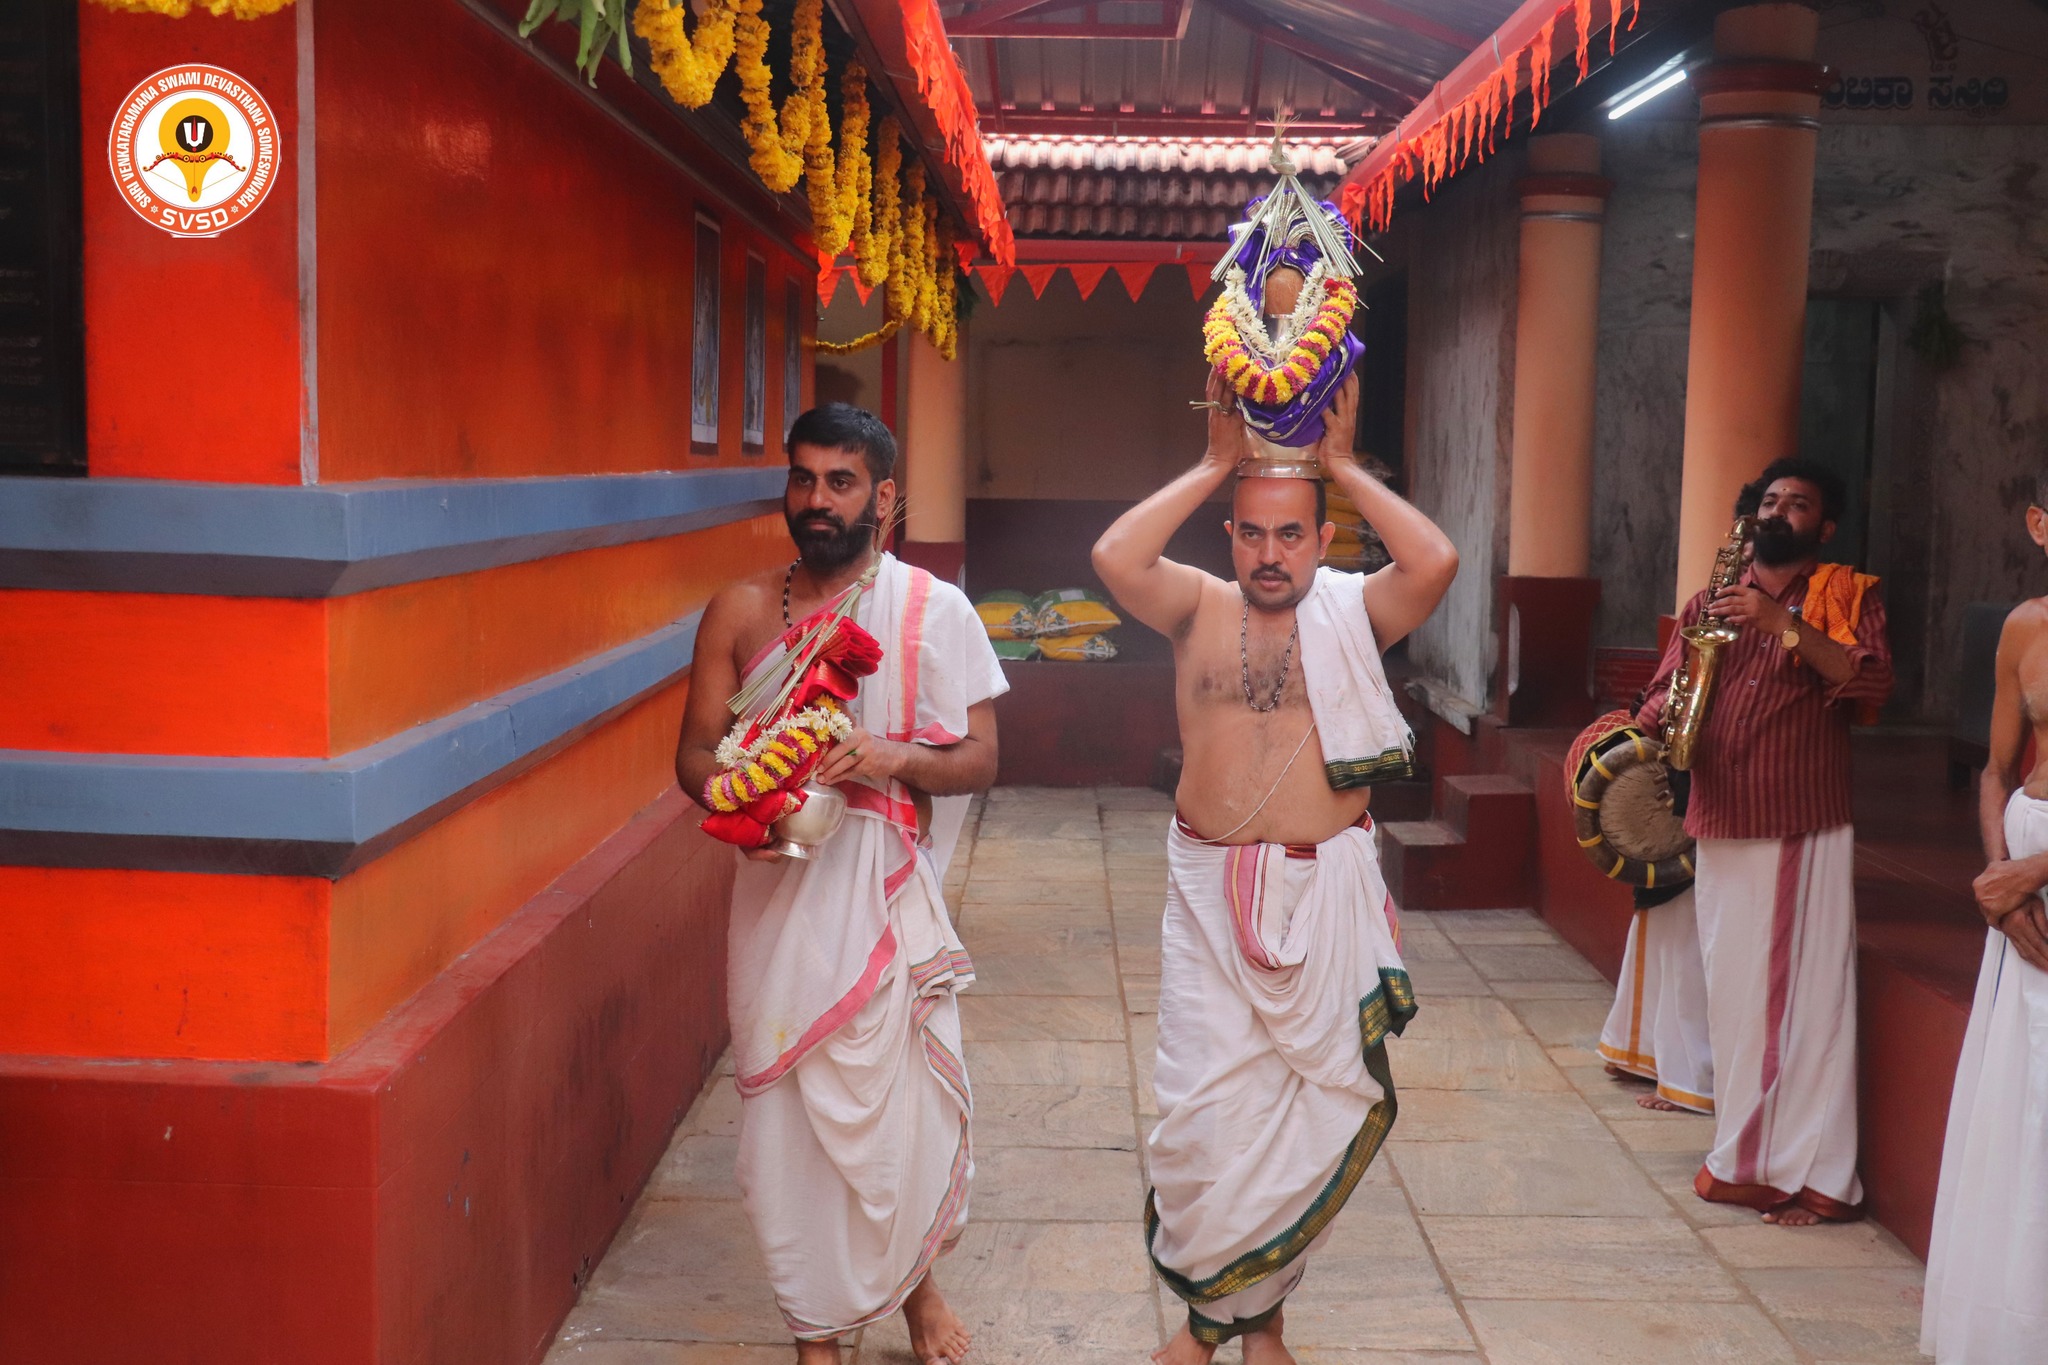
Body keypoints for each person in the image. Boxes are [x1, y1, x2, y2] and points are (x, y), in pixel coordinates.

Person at [1093, 372, 1457, 1364]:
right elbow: (1114, 555)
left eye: (1290, 534)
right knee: (1206, 1128)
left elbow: (1434, 559)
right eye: (1250, 533)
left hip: (1320, 897)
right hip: (1207, 902)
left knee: (1301, 1127)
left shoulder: (1356, 612)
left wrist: (1340, 464)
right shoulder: (1194, 608)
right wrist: (1214, 462)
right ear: (1228, 538)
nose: (1268, 554)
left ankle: (1220, 1334)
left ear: (1324, 538)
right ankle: (1251, 1331)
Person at [676, 403, 1006, 1364]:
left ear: (884, 496)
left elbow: (982, 758)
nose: (817, 500)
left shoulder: (932, 609)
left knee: (897, 1109)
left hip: (885, 889)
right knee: (786, 1121)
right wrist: (743, 798)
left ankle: (916, 1291)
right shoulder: (740, 610)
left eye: (841, 481)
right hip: (778, 894)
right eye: (803, 478)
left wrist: (888, 757)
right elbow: (693, 755)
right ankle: (814, 1329)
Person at [1636, 458, 1893, 1225]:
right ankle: (1751, 1155)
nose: (1780, 510)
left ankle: (1812, 1175)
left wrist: (1779, 621)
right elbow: (1663, 691)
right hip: (1719, 815)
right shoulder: (1707, 599)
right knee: (1740, 1000)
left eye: (1799, 503)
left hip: (1797, 820)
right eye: (1771, 500)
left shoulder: (1848, 594)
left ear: (1826, 525)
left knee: (1801, 1003)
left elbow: (1868, 681)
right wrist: (1644, 727)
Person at [1921, 474, 2048, 1361]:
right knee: (2019, 1097)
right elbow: (1996, 769)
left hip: (2035, 872)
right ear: (2040, 525)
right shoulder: (2024, 627)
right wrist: (1998, 877)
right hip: (2019, 891)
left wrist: (2032, 871)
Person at [1597, 480, 1761, 1116]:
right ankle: (1651, 1054)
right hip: (1688, 776)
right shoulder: (1704, 605)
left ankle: (1693, 1076)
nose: (1751, 556)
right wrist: (1664, 712)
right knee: (1666, 915)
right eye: (1747, 538)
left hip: (1750, 789)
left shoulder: (1800, 614)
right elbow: (1663, 684)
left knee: (1700, 934)